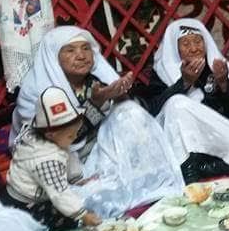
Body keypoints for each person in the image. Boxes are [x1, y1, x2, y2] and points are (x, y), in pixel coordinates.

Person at [13, 26, 184, 219]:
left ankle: (148, 183)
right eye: (70, 50)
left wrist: (120, 97)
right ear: (54, 57)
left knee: (129, 111)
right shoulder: (36, 91)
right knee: (92, 195)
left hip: (98, 150)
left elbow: (133, 121)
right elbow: (58, 140)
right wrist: (96, 103)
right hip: (60, 164)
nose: (81, 56)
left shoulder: (98, 79)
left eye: (86, 48)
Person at [143, 18, 229, 182]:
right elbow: (152, 110)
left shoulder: (216, 68)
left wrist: (224, 84)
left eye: (198, 42)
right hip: (182, 148)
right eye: (186, 44)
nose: (193, 48)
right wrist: (184, 83)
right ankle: (190, 172)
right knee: (176, 103)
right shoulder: (162, 73)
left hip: (215, 140)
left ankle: (206, 168)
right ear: (175, 48)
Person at [1, 87, 101, 231]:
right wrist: (82, 214)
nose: (74, 137)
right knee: (66, 222)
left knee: (71, 204)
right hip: (22, 203)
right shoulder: (45, 159)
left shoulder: (53, 139)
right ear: (50, 135)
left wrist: (76, 180)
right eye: (70, 135)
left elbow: (67, 154)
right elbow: (59, 192)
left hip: (38, 192)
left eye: (76, 132)